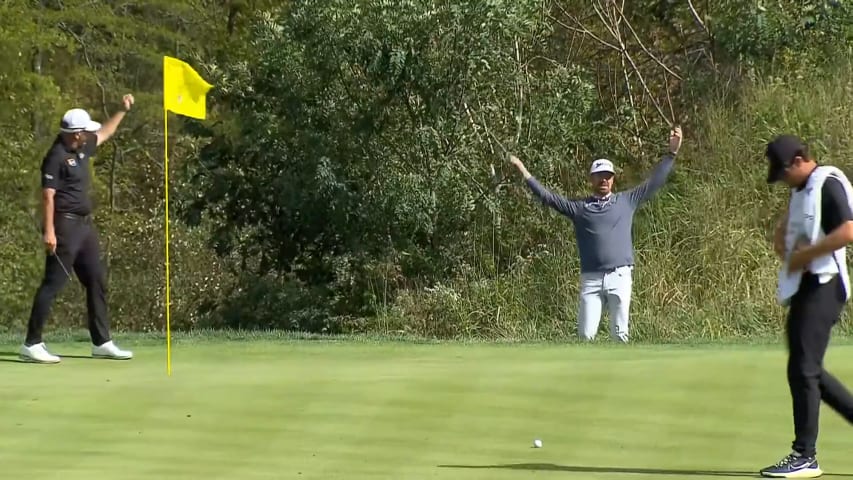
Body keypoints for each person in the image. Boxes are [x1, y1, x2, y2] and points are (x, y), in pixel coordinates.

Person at [508, 126, 682, 342]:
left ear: (613, 179)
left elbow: (654, 182)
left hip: (620, 276)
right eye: (599, 176)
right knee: (586, 336)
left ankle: (621, 375)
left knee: (620, 334)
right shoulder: (579, 207)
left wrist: (672, 154)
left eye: (608, 176)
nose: (604, 180)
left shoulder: (626, 201)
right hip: (591, 278)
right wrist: (524, 172)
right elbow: (549, 198)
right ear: (591, 179)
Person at [759, 134, 853, 478]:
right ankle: (805, 453)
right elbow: (789, 239)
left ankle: (805, 456)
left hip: (826, 286)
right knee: (807, 370)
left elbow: (847, 230)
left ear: (799, 160)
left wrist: (803, 255)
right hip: (807, 287)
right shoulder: (801, 191)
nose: (782, 179)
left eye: (783, 172)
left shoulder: (827, 182)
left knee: (803, 369)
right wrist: (781, 235)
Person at [20, 95, 136, 364]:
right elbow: (48, 196)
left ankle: (101, 342)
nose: (89, 134)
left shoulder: (82, 148)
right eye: (85, 131)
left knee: (96, 279)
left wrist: (122, 110)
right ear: (76, 134)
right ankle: (32, 343)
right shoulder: (56, 157)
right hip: (64, 226)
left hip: (84, 227)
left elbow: (106, 131)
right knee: (53, 283)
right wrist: (48, 231)